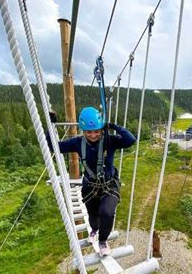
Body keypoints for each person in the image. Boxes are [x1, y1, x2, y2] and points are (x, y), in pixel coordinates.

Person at [48, 107, 136, 256]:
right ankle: (94, 230)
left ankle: (102, 241)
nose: (93, 135)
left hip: (109, 185)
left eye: (96, 130)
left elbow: (130, 140)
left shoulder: (109, 141)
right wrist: (50, 126)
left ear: (101, 128)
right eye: (89, 132)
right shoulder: (77, 143)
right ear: (83, 131)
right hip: (90, 187)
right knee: (93, 215)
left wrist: (113, 126)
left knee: (106, 212)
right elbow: (54, 147)